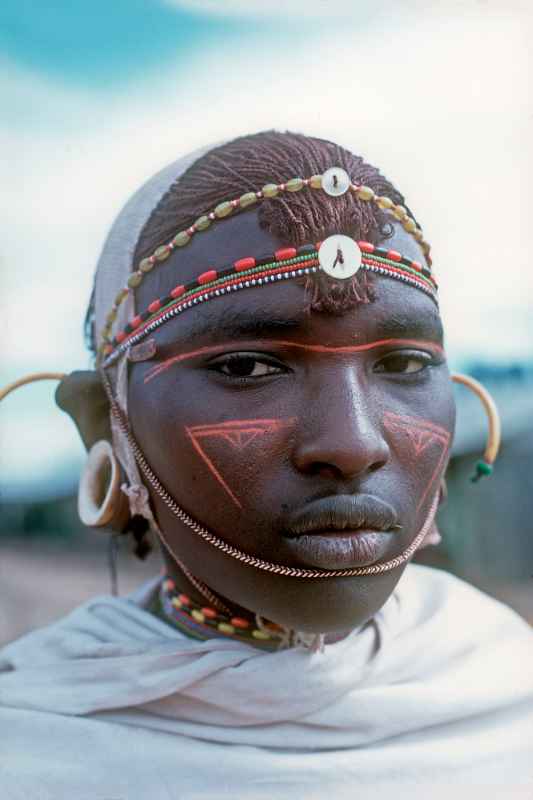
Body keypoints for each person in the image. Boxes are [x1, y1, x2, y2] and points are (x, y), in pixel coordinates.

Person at [1, 131, 532, 798]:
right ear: (106, 423)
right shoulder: (27, 749)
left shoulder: (506, 683)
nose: (353, 445)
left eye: (402, 364)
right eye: (247, 367)